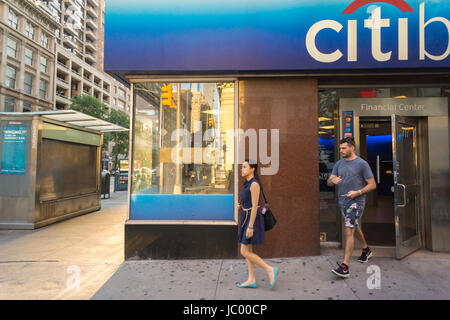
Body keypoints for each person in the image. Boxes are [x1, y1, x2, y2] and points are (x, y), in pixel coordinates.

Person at [327, 137, 376, 278]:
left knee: (348, 231)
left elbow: (372, 184)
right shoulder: (338, 164)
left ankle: (345, 266)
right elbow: (330, 182)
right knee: (354, 226)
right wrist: (332, 180)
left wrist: (358, 192)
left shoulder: (362, 164)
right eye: (340, 148)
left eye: (344, 148)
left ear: (352, 148)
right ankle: (366, 249)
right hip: (343, 202)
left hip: (357, 201)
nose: (341, 150)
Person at [236, 159, 279, 289]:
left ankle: (270, 269)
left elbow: (255, 207)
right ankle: (251, 279)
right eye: (242, 167)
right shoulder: (247, 183)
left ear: (252, 169)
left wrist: (250, 226)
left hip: (251, 219)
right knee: (248, 249)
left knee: (243, 251)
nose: (242, 169)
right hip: (246, 215)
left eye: (244, 167)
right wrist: (241, 206)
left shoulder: (254, 184)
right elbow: (248, 202)